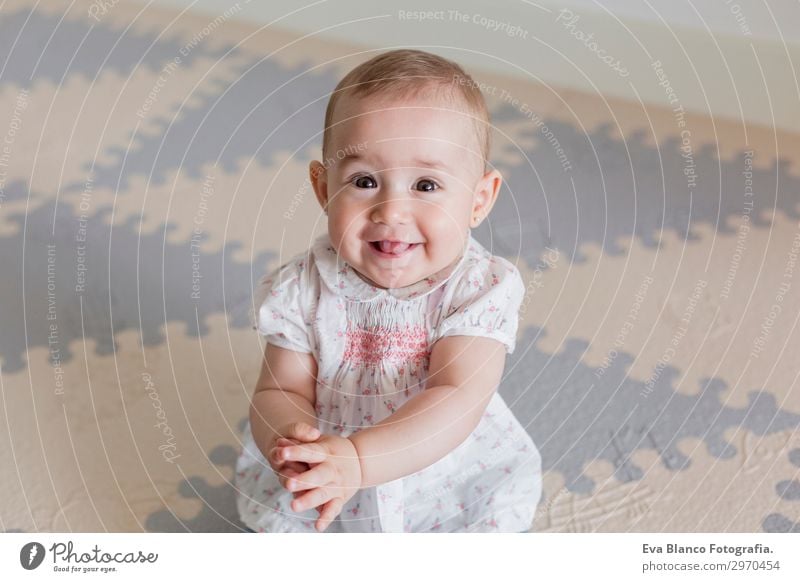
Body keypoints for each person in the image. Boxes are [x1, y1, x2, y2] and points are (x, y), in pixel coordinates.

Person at [235, 49, 541, 533]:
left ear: (478, 199)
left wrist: (361, 459)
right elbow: (281, 387)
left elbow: (456, 394)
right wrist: (295, 442)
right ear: (323, 189)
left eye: (425, 184)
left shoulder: (478, 289)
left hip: (442, 476)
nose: (390, 210)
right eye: (363, 181)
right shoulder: (302, 287)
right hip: (333, 474)